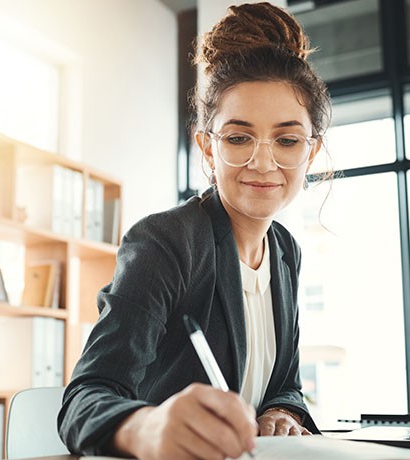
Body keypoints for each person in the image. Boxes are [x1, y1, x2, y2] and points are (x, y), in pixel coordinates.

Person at [57, 2, 331, 459]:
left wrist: (283, 413)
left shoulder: (285, 252)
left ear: (311, 151)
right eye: (239, 137)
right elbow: (85, 397)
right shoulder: (165, 243)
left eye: (286, 140)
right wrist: (147, 427)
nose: (263, 162)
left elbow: (286, 385)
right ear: (207, 147)